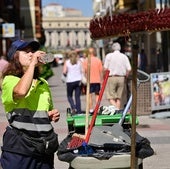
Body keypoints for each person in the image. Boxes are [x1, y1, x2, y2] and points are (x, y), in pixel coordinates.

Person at [0, 39, 60, 169]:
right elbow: (21, 92)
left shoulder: (43, 82)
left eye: (32, 51)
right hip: (20, 149)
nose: (31, 54)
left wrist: (50, 115)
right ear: (15, 57)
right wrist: (33, 64)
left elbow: (43, 112)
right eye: (26, 52)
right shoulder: (9, 80)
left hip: (43, 148)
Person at [104, 42, 131, 109]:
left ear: (113, 48)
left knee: (110, 97)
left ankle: (116, 109)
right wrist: (126, 76)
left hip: (111, 77)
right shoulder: (124, 56)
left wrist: (103, 78)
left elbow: (105, 68)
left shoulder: (109, 56)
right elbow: (129, 69)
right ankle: (118, 110)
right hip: (122, 77)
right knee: (119, 97)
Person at [83, 47, 103, 114]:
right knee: (97, 95)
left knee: (89, 95)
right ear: (94, 52)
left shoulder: (86, 60)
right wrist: (101, 80)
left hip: (89, 81)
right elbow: (101, 71)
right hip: (97, 80)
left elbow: (84, 71)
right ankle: (97, 108)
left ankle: (91, 109)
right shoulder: (98, 60)